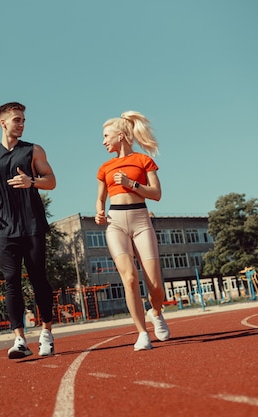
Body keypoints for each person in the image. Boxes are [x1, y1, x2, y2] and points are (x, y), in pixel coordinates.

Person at [0, 102, 57, 359]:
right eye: (17, 120)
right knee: (11, 281)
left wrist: (30, 181)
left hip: (32, 224)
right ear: (3, 123)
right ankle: (19, 339)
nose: (22, 124)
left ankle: (46, 334)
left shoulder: (33, 151)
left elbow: (52, 181)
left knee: (38, 279)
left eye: (23, 120)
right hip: (3, 227)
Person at [94, 111, 170, 351]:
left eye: (107, 136)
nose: (104, 141)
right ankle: (142, 333)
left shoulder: (143, 160)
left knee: (155, 284)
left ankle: (155, 312)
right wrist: (99, 212)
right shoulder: (104, 167)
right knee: (129, 278)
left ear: (121, 135)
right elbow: (100, 199)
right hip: (116, 222)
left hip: (140, 220)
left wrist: (131, 184)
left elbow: (156, 194)